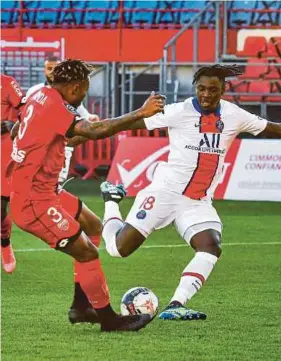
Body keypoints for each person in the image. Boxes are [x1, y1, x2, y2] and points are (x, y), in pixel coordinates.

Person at [99, 64, 281, 321]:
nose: (206, 94)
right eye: (201, 88)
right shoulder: (177, 112)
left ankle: (176, 304)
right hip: (164, 191)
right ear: (195, 88)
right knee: (117, 250)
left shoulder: (234, 115)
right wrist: (82, 134)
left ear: (223, 90)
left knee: (210, 246)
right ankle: (112, 200)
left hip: (197, 200)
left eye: (212, 89)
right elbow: (126, 124)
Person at [8, 59, 165, 332]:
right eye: (84, 91)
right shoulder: (53, 104)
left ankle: (81, 306)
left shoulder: (38, 96)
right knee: (88, 253)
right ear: (76, 87)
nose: (84, 96)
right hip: (34, 201)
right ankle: (108, 320)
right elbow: (94, 130)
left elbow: (20, 132)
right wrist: (140, 113)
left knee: (93, 226)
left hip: (45, 192)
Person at [26, 55, 100, 184]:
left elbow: (81, 112)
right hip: (37, 148)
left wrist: (90, 117)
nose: (52, 72)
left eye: (55, 69)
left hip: (62, 147)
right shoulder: (34, 91)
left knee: (55, 185)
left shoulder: (68, 92)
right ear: (44, 70)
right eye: (49, 68)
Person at [1, 73, 26, 273]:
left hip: (4, 150)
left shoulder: (7, 83)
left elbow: (26, 110)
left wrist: (11, 125)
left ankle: (4, 242)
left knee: (1, 207)